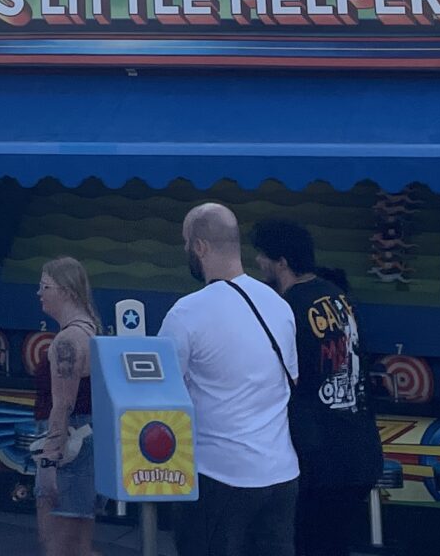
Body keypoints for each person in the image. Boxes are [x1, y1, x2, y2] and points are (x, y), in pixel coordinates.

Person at [158, 202, 298, 556]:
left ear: (200, 247)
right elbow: (289, 381)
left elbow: (160, 391)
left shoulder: (187, 313)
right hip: (280, 476)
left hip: (217, 477)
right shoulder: (279, 305)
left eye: (186, 243)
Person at [250, 222, 383, 556]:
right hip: (361, 448)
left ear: (281, 262)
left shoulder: (286, 308)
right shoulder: (339, 297)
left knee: (308, 543)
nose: (256, 262)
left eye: (262, 256)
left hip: (320, 457)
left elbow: (281, 380)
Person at [31, 257, 100, 556]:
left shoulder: (67, 341)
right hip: (86, 444)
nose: (39, 293)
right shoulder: (92, 330)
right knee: (79, 544)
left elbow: (62, 405)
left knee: (57, 545)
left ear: (67, 291)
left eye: (45, 286)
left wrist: (49, 462)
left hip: (70, 452)